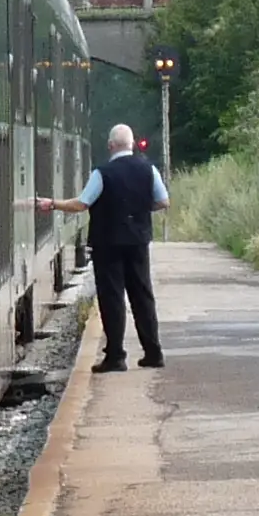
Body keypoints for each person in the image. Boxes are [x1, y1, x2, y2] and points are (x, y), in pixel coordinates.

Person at [39, 125, 167, 374]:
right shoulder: (148, 169)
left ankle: (116, 357)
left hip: (107, 244)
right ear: (132, 144)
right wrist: (139, 209)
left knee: (112, 299)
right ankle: (153, 353)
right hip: (138, 242)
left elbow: (81, 204)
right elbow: (163, 201)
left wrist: (52, 204)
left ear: (111, 145)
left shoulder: (103, 172)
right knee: (143, 297)